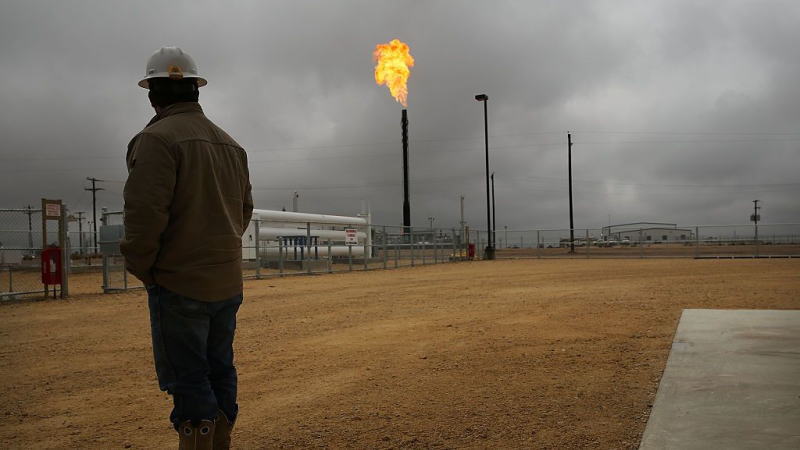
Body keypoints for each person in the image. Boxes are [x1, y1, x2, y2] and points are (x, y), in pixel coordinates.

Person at [121, 46, 253, 449]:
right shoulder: (231, 145)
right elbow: (243, 210)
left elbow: (144, 215)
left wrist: (147, 267)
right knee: (219, 367)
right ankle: (221, 438)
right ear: (196, 89)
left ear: (152, 94)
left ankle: (199, 439)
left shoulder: (156, 140)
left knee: (189, 375)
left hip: (179, 283)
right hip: (226, 282)